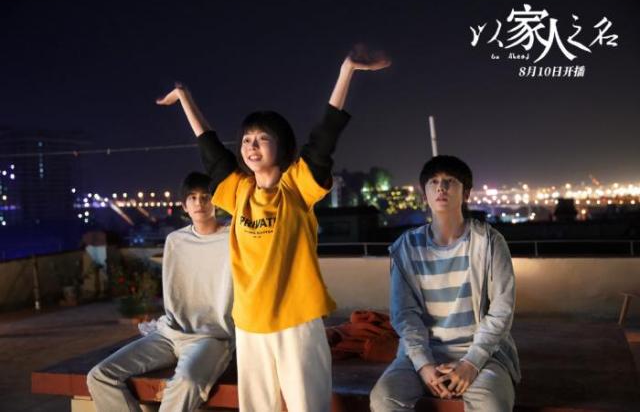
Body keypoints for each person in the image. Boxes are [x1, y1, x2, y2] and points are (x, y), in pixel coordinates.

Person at [156, 46, 390, 412]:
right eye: (246, 140)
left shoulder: (297, 186)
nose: (251, 146)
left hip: (297, 321)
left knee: (306, 406)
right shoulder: (238, 191)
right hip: (250, 323)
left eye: (262, 138)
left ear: (281, 147)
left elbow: (325, 137)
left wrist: (346, 70)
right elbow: (210, 149)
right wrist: (185, 98)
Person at [370, 155, 520, 412]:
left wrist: (471, 363)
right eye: (434, 182)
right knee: (384, 398)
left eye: (450, 181)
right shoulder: (406, 247)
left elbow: (502, 311)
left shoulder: (489, 242)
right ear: (425, 193)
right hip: (420, 352)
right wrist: (423, 365)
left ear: (466, 193)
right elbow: (404, 314)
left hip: (482, 353)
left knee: (492, 404)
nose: (441, 187)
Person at [87, 172, 234, 412]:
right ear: (184, 205)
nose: (199, 203)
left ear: (215, 201)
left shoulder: (233, 237)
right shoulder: (175, 240)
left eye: (205, 197)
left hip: (211, 336)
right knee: (100, 375)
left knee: (187, 382)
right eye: (192, 197)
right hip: (169, 333)